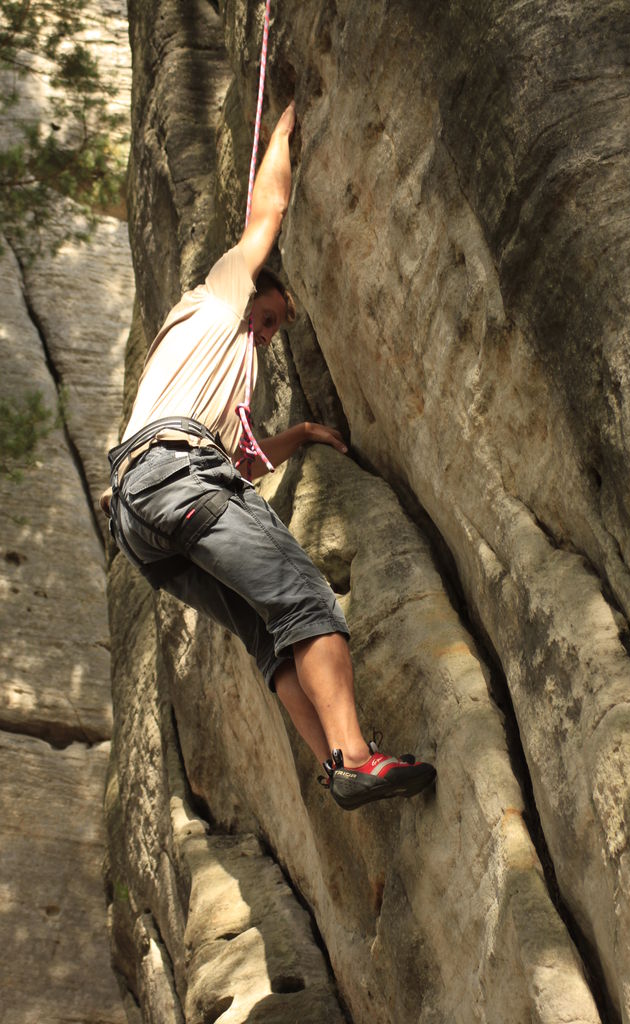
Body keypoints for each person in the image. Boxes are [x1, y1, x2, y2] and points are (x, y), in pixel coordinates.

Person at [103, 101, 436, 810]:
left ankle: (336, 770)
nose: (271, 332)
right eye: (272, 316)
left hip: (147, 510)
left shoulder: (204, 377)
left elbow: (238, 472)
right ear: (245, 293)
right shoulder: (220, 299)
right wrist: (281, 135)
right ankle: (356, 756)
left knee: (269, 636)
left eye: (278, 327)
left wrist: (299, 437)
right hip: (174, 476)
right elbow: (268, 213)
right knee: (307, 599)